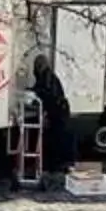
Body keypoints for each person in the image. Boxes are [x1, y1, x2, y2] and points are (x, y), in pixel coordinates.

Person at [31, 54, 74, 191]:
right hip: (59, 113)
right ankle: (56, 167)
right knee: (56, 141)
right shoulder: (48, 76)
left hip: (57, 114)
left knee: (55, 141)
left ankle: (54, 168)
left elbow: (47, 94)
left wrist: (35, 93)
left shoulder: (47, 77)